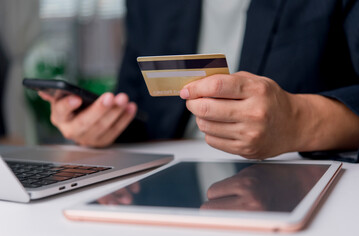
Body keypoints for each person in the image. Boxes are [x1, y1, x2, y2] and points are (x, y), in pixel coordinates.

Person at [39, 0, 359, 159]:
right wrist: (98, 126)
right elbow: (136, 110)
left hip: (296, 175)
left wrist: (300, 120)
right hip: (164, 183)